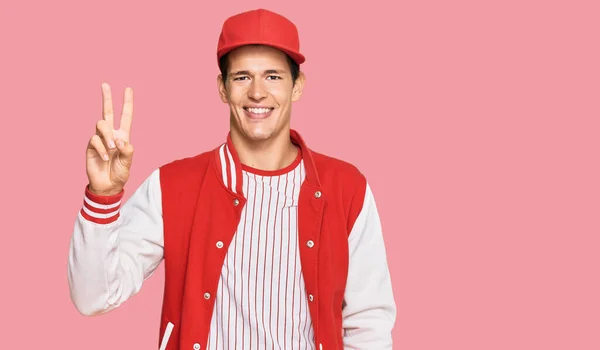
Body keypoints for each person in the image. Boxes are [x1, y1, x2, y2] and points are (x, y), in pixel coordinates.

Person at [68, 8, 396, 350]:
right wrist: (102, 196)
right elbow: (94, 297)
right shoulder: (173, 186)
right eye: (242, 77)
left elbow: (369, 322)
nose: (257, 92)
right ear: (222, 89)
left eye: (273, 76)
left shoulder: (346, 189)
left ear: (297, 86)